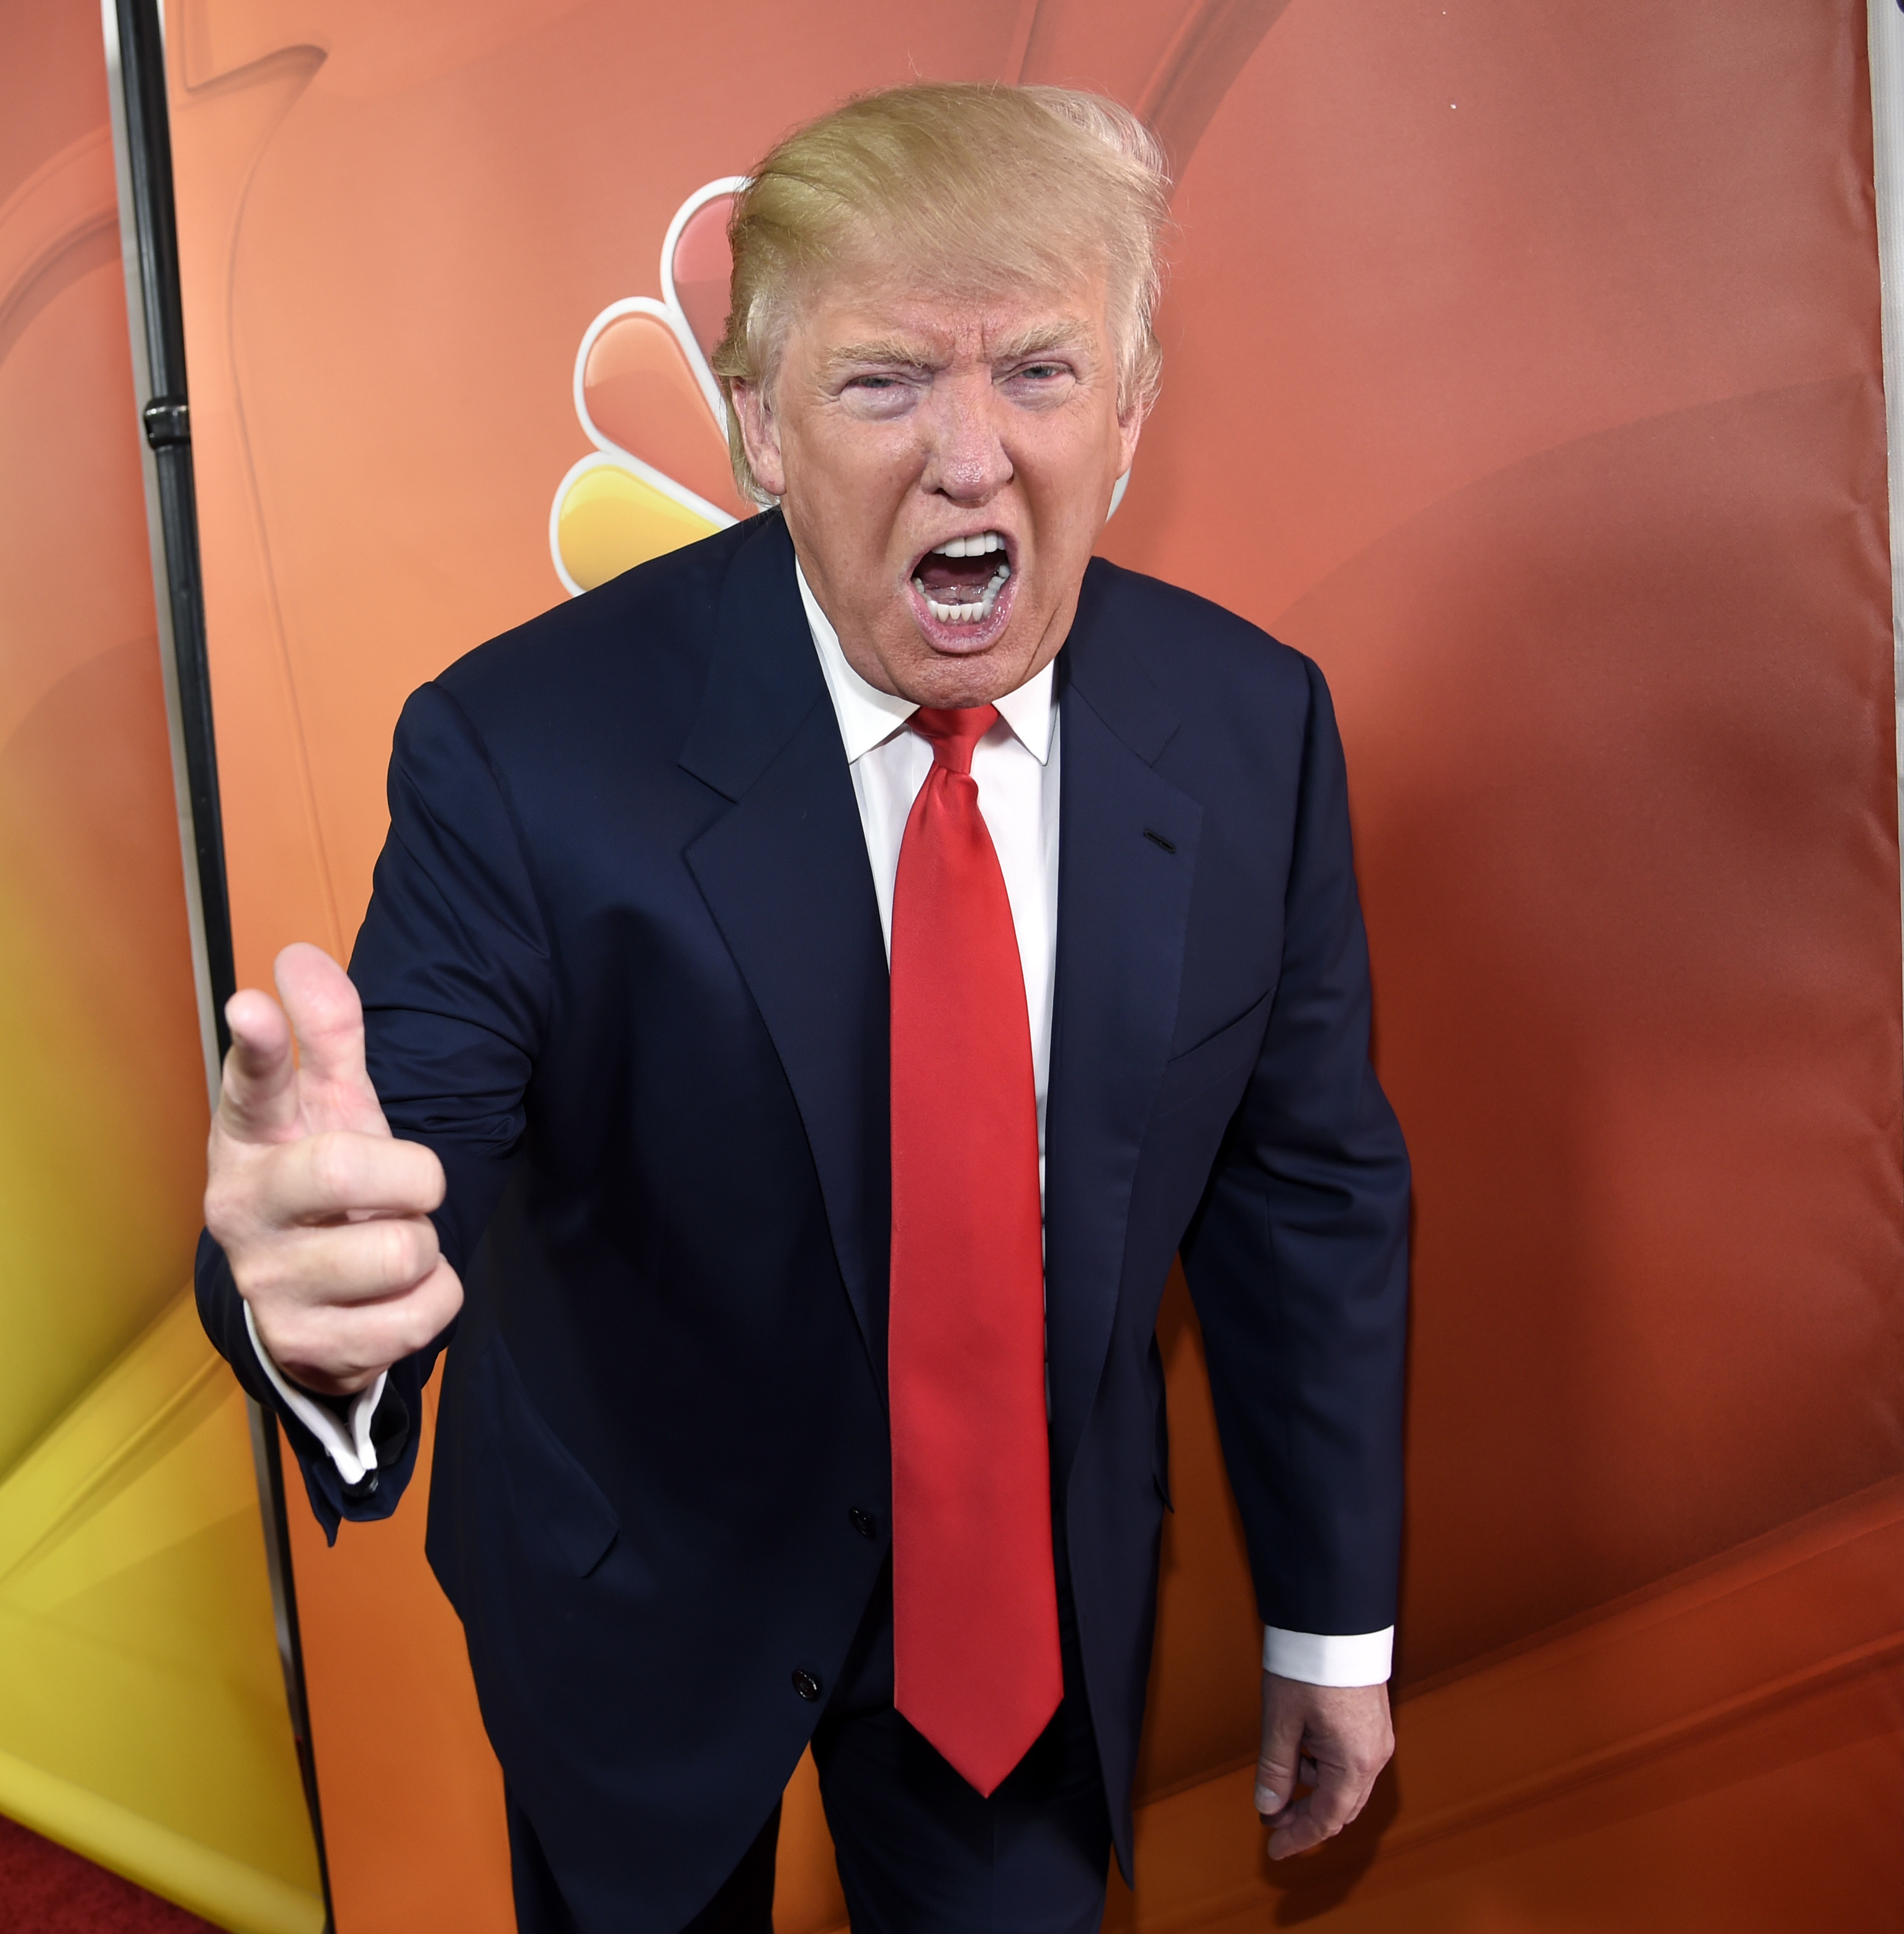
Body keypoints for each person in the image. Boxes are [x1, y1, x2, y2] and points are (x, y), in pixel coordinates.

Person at [197, 82, 1408, 1934]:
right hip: (642, 1587)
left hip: (1013, 1610)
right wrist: (325, 1309)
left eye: (1041, 375)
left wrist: (1335, 1623)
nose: (973, 457)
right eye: (886, 382)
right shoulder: (520, 749)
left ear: (1134, 415)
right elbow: (391, 1138)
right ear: (757, 424)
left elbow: (1306, 1195)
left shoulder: (1258, 733)